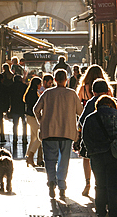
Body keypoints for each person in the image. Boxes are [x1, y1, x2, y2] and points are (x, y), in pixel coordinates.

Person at [33, 68, 83, 200]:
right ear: (66, 80)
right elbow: (80, 111)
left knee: (50, 159)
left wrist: (41, 121)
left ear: (54, 80)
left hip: (49, 131)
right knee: (64, 160)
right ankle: (61, 185)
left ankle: (51, 181)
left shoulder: (48, 93)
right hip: (67, 132)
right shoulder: (72, 94)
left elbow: (36, 109)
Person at [82, 95, 117, 217]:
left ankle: (100, 215)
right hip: (115, 155)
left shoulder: (90, 118)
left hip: (97, 155)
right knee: (113, 186)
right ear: (112, 105)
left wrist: (92, 151)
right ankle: (113, 216)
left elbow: (86, 137)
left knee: (100, 185)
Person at [78, 64, 110, 196]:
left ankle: (87, 182)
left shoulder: (83, 88)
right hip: (104, 126)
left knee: (86, 157)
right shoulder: (107, 89)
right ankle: (101, 182)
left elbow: (78, 102)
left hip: (88, 125)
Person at [23, 75, 41, 167]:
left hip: (29, 117)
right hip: (33, 117)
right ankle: (30, 157)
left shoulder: (30, 92)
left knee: (33, 138)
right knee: (39, 137)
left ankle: (28, 157)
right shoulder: (34, 94)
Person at [9, 72, 27, 143]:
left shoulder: (11, 87)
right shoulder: (24, 86)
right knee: (24, 124)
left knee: (15, 124)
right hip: (22, 108)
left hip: (14, 108)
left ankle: (15, 138)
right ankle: (24, 138)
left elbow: (9, 97)